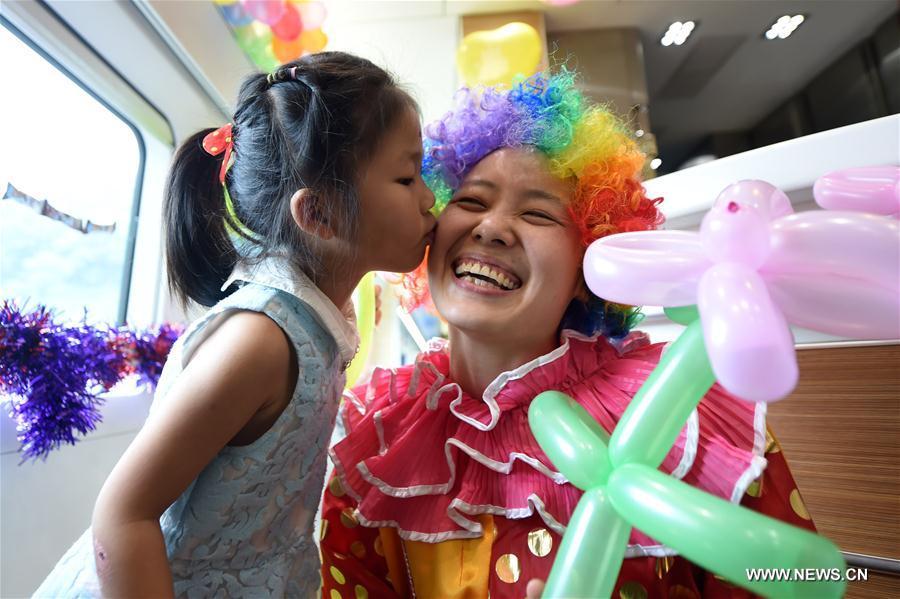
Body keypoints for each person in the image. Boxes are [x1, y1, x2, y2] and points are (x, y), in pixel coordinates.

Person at [319, 71, 815, 598]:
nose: (491, 227)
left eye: (536, 213)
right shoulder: (377, 432)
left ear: (588, 269)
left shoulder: (682, 408)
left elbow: (800, 578)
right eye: (470, 201)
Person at [34, 51, 436, 599]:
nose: (430, 196)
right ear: (318, 214)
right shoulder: (262, 341)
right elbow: (124, 512)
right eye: (407, 176)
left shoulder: (316, 324)